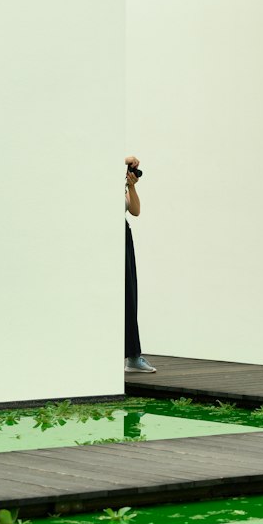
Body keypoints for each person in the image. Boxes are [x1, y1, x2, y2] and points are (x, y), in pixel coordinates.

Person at [124, 156, 156, 375]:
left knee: (129, 295)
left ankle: (133, 356)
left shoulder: (121, 188)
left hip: (122, 238)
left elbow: (135, 210)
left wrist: (131, 186)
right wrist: (126, 159)